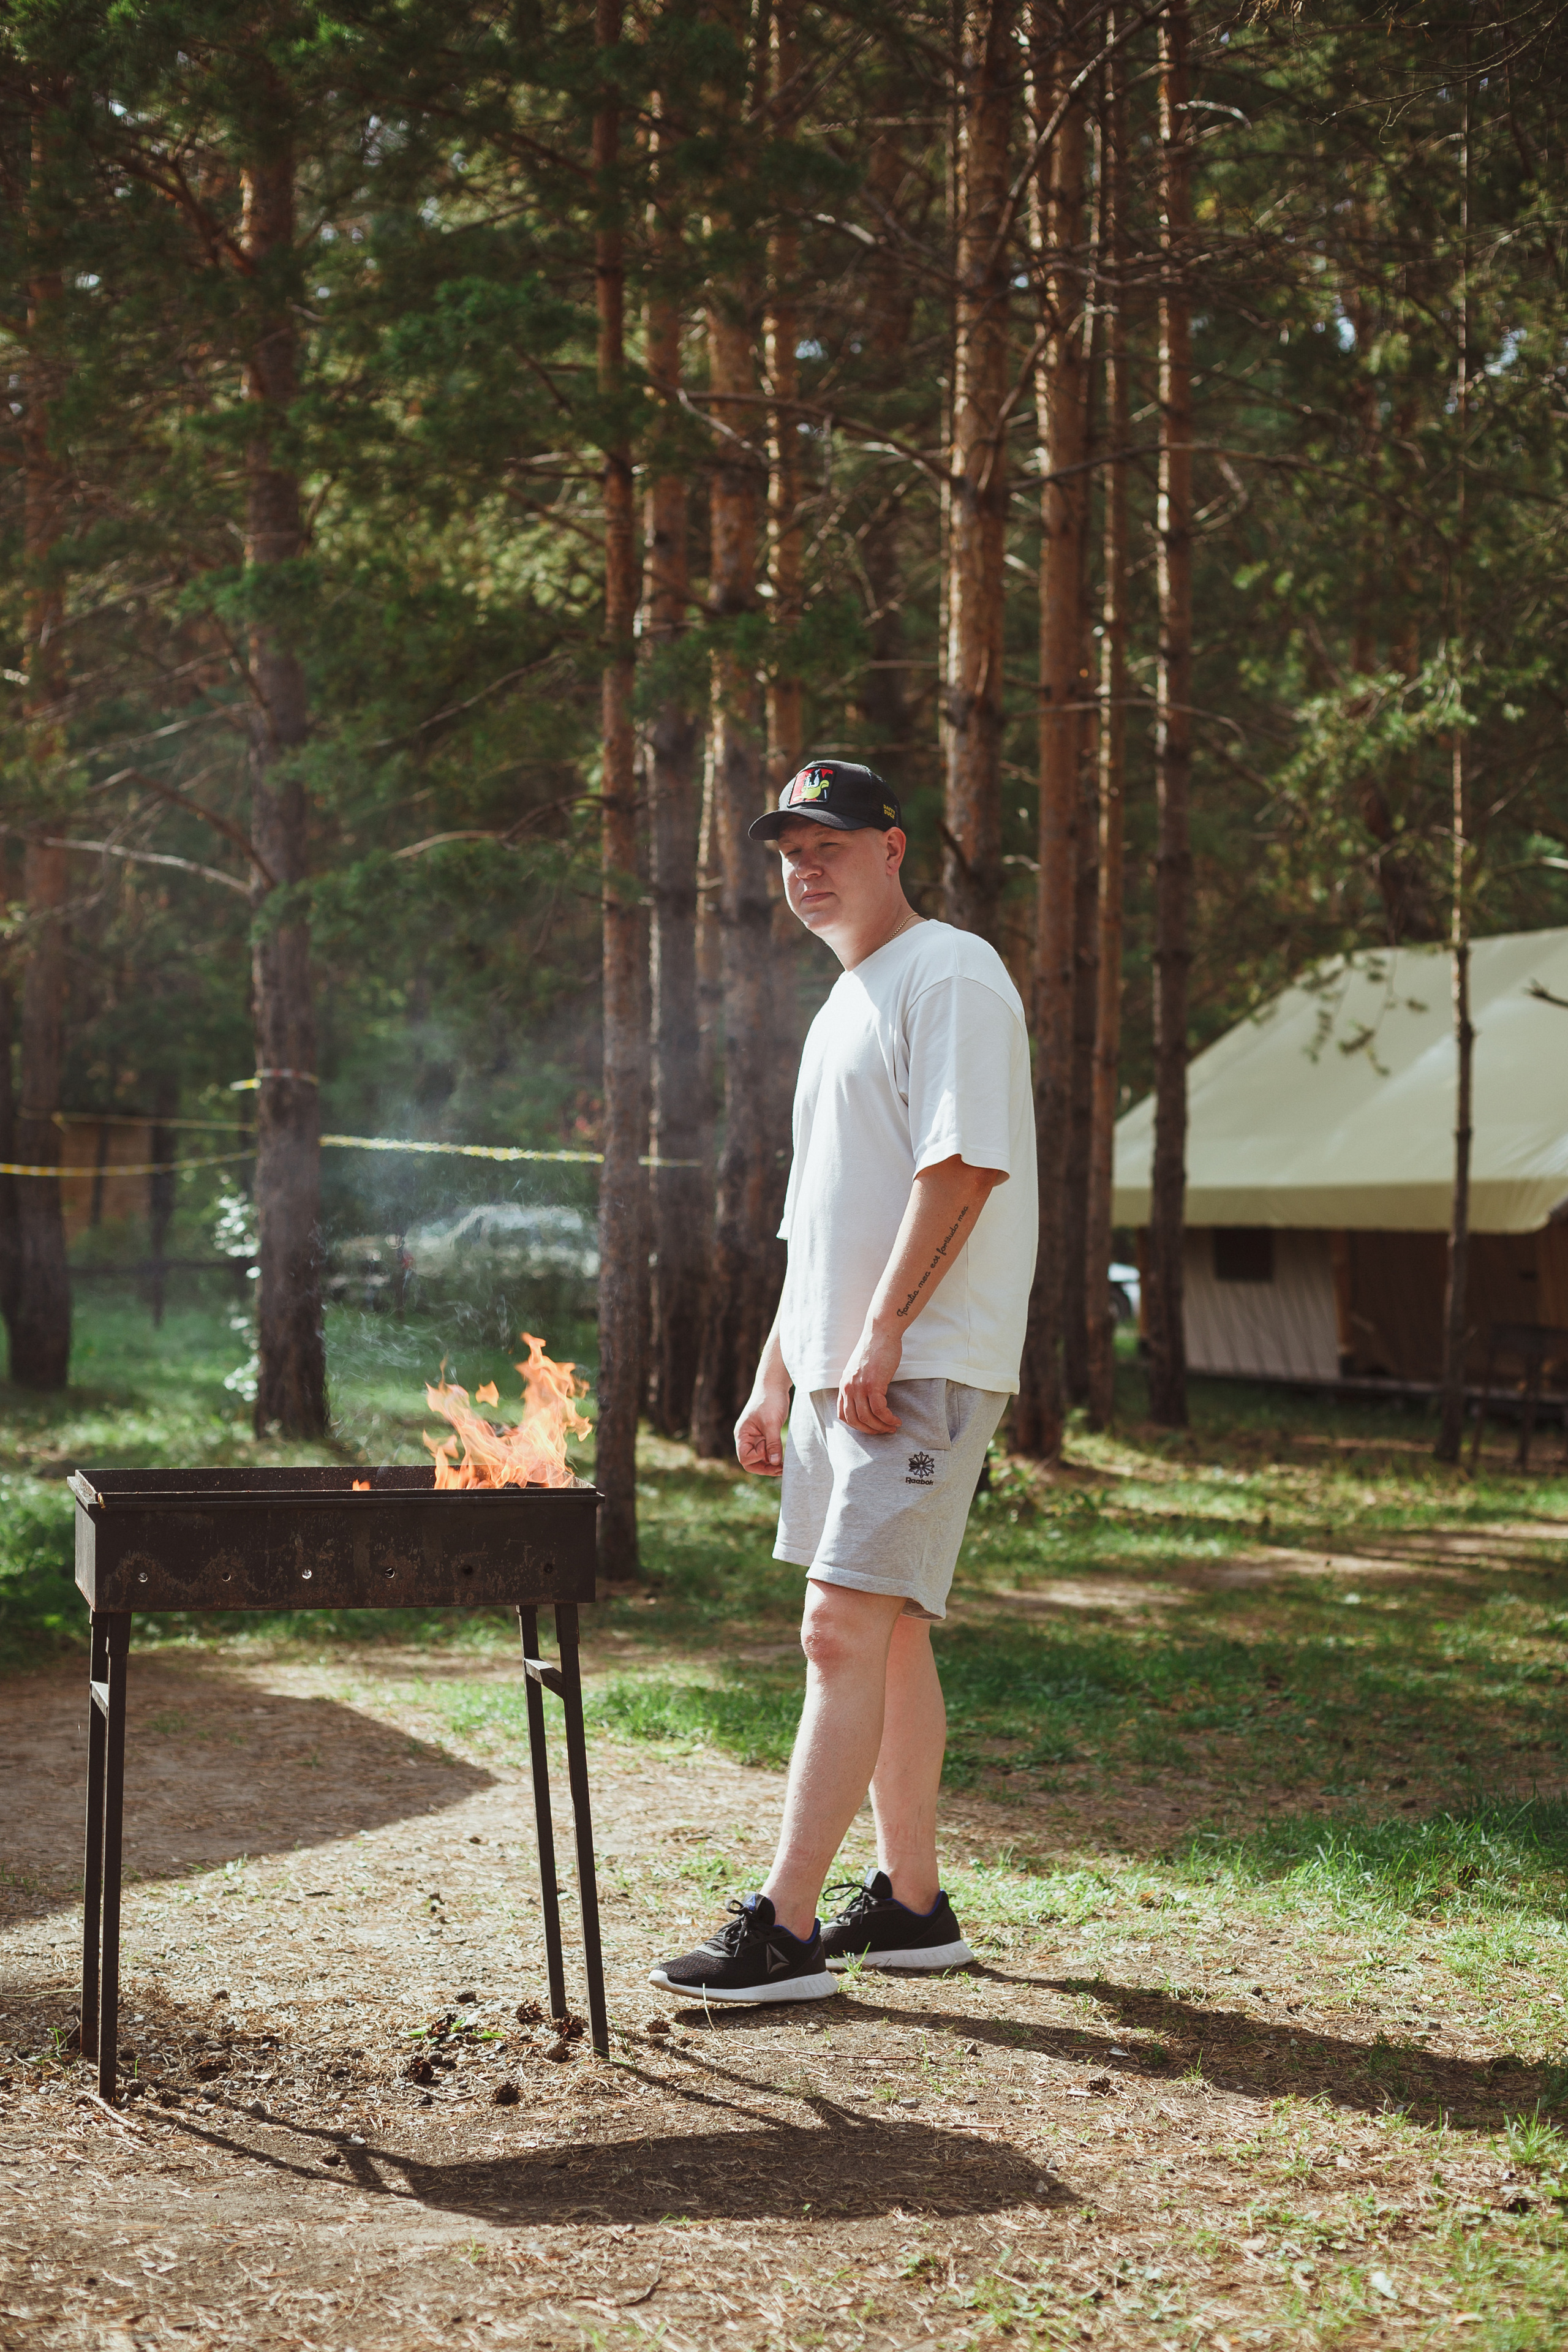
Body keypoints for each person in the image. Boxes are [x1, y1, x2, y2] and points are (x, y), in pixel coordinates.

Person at [650, 759, 1038, 2005]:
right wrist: (778, 1376)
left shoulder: (951, 971)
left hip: (913, 1364)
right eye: (784, 851)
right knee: (890, 1636)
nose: (801, 868)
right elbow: (813, 1225)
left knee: (836, 1628)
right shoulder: (841, 1006)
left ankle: (783, 1929)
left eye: (825, 843)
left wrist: (878, 1338)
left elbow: (963, 1168)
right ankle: (913, 1909)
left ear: (892, 845)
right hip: (844, 1370)